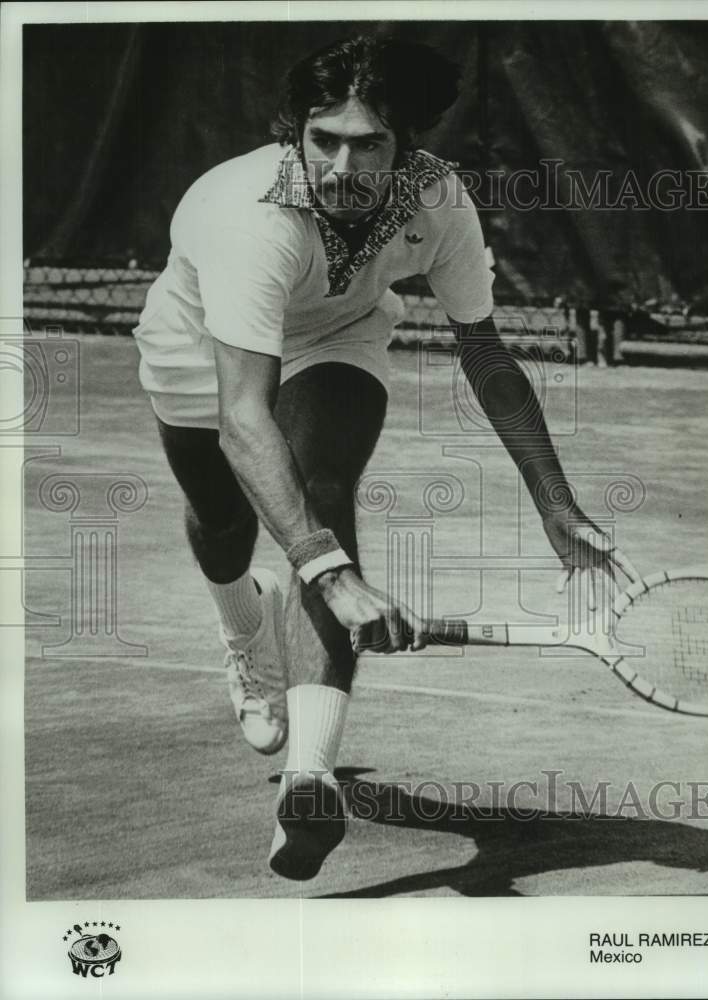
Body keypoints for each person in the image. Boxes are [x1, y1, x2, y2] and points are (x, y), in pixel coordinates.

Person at [133, 35, 640, 882]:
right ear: (295, 131)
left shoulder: (438, 200)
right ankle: (242, 629)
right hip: (204, 356)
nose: (342, 163)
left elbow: (484, 352)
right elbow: (243, 415)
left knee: (322, 496)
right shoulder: (246, 215)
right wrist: (328, 575)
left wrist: (553, 498)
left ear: (407, 144)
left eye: (368, 143)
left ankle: (310, 779)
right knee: (224, 526)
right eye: (324, 138)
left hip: (338, 335)